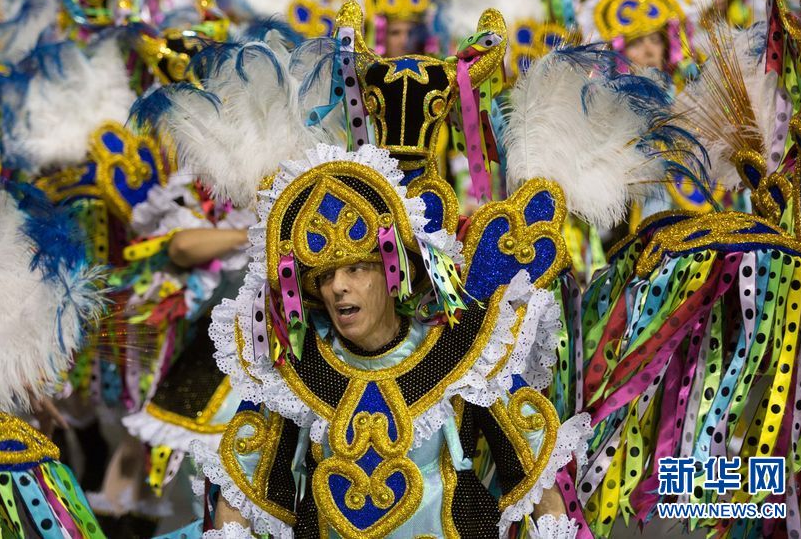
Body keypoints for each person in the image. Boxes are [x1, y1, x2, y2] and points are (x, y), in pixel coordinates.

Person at [195, 143, 591, 538]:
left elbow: (536, 477)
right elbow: (242, 487)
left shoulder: (466, 349)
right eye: (325, 277)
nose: (339, 287)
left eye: (356, 269)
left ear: (392, 273)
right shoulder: (296, 369)